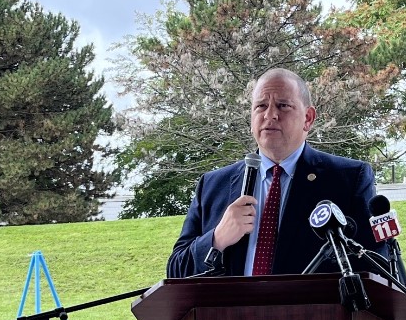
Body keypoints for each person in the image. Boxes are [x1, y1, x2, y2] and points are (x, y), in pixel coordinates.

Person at [166, 68, 390, 278]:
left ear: (308, 118)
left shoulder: (348, 179)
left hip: (314, 318)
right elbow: (176, 271)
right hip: (229, 319)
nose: (270, 115)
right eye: (261, 106)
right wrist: (217, 239)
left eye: (283, 106)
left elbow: (377, 268)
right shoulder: (213, 185)